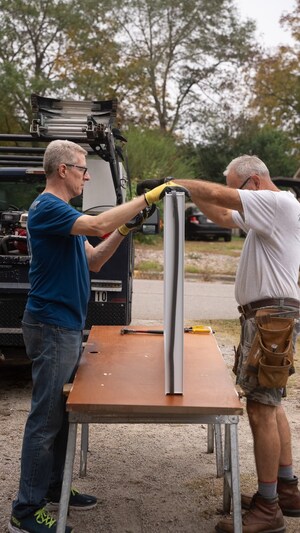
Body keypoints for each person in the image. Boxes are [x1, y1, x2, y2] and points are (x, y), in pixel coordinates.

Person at [8, 139, 183, 533]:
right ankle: (25, 510)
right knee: (45, 418)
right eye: (83, 168)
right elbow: (98, 223)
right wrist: (145, 198)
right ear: (63, 170)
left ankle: (54, 487)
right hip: (51, 325)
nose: (87, 175)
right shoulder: (48, 207)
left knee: (62, 412)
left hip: (64, 324)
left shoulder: (63, 214)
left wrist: (124, 228)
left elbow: (94, 258)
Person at [142, 155, 300, 533]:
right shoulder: (271, 208)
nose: (231, 195)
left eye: (236, 187)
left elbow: (217, 195)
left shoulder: (276, 203)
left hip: (270, 318)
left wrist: (175, 182)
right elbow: (224, 215)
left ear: (256, 182)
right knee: (271, 405)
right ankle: (286, 489)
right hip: (268, 317)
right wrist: (190, 197)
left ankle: (268, 509)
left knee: (261, 409)